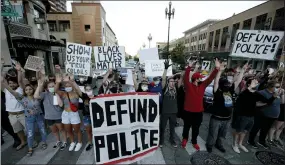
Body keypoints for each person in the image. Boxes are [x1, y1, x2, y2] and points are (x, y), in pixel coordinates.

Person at [205, 62, 247, 153]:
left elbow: (238, 81)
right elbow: (216, 81)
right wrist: (220, 71)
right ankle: (209, 145)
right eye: (226, 85)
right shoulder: (217, 92)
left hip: (227, 119)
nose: (228, 86)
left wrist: (243, 71)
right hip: (216, 118)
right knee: (212, 133)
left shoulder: (230, 91)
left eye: (228, 84)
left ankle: (218, 144)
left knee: (222, 134)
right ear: (221, 86)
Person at [182, 58, 221, 150]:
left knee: (196, 128)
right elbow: (185, 77)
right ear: (195, 78)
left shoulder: (203, 85)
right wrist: (189, 66)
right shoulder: (188, 85)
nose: (201, 79)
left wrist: (216, 68)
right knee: (187, 126)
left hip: (198, 112)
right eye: (200, 77)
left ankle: (194, 141)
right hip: (188, 111)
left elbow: (211, 77)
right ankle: (185, 138)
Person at [2, 81, 48, 156]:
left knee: (42, 130)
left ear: (33, 89)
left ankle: (44, 142)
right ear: (24, 91)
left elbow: (40, 88)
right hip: (29, 118)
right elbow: (11, 91)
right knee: (30, 133)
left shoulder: (37, 96)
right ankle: (30, 148)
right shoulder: (22, 98)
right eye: (26, 89)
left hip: (39, 116)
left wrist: (40, 83)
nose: (28, 91)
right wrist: (3, 83)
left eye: (30, 89)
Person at [232, 78, 277, 153]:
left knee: (245, 131)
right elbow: (242, 96)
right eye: (254, 83)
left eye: (256, 83)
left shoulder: (256, 93)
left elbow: (267, 101)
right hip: (242, 116)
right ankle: (234, 144)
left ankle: (240, 144)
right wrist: (249, 88)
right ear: (249, 84)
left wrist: (273, 97)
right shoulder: (245, 92)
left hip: (251, 116)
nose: (256, 84)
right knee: (238, 131)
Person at [34, 79, 67, 150]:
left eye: (53, 86)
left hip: (58, 116)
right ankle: (58, 141)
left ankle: (65, 141)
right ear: (46, 88)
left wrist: (55, 93)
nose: (52, 87)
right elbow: (36, 96)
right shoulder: (44, 94)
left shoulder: (59, 93)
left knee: (61, 129)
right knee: (54, 131)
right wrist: (39, 86)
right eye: (50, 86)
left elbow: (61, 104)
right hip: (48, 117)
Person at [248, 80, 281, 149]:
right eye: (277, 87)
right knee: (256, 128)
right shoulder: (262, 93)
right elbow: (257, 103)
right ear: (271, 87)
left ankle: (261, 141)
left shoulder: (277, 94)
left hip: (272, 116)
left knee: (265, 129)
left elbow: (281, 103)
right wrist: (273, 97)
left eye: (279, 87)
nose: (278, 88)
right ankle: (251, 140)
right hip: (262, 114)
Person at [1, 63, 27, 151]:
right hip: (11, 115)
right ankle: (23, 141)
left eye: (13, 83)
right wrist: (1, 65)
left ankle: (32, 141)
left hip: (22, 114)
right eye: (10, 83)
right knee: (18, 130)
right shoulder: (6, 90)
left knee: (28, 129)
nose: (11, 85)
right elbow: (2, 80)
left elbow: (20, 81)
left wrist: (19, 70)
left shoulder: (20, 89)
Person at [55, 73, 83, 152]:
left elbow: (79, 90)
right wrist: (57, 82)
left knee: (77, 130)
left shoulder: (76, 93)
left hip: (74, 114)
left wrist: (72, 81)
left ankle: (79, 142)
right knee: (68, 130)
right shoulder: (63, 93)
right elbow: (56, 90)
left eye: (69, 86)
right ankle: (72, 142)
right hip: (65, 114)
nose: (68, 87)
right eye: (66, 86)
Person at [159, 60, 179, 148]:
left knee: (172, 128)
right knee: (162, 128)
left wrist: (174, 75)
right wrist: (165, 69)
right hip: (165, 112)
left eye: (173, 81)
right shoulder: (164, 89)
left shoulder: (176, 89)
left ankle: (172, 140)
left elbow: (181, 76)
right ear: (168, 83)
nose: (172, 82)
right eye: (170, 81)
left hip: (173, 112)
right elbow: (163, 79)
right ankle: (161, 140)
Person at [72, 84, 95, 151]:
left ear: (92, 90)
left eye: (89, 89)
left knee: (97, 132)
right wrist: (73, 81)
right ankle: (90, 143)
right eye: (87, 90)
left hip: (95, 117)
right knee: (88, 132)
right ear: (85, 91)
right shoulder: (84, 97)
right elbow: (77, 89)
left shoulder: (97, 97)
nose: (88, 91)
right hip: (86, 117)